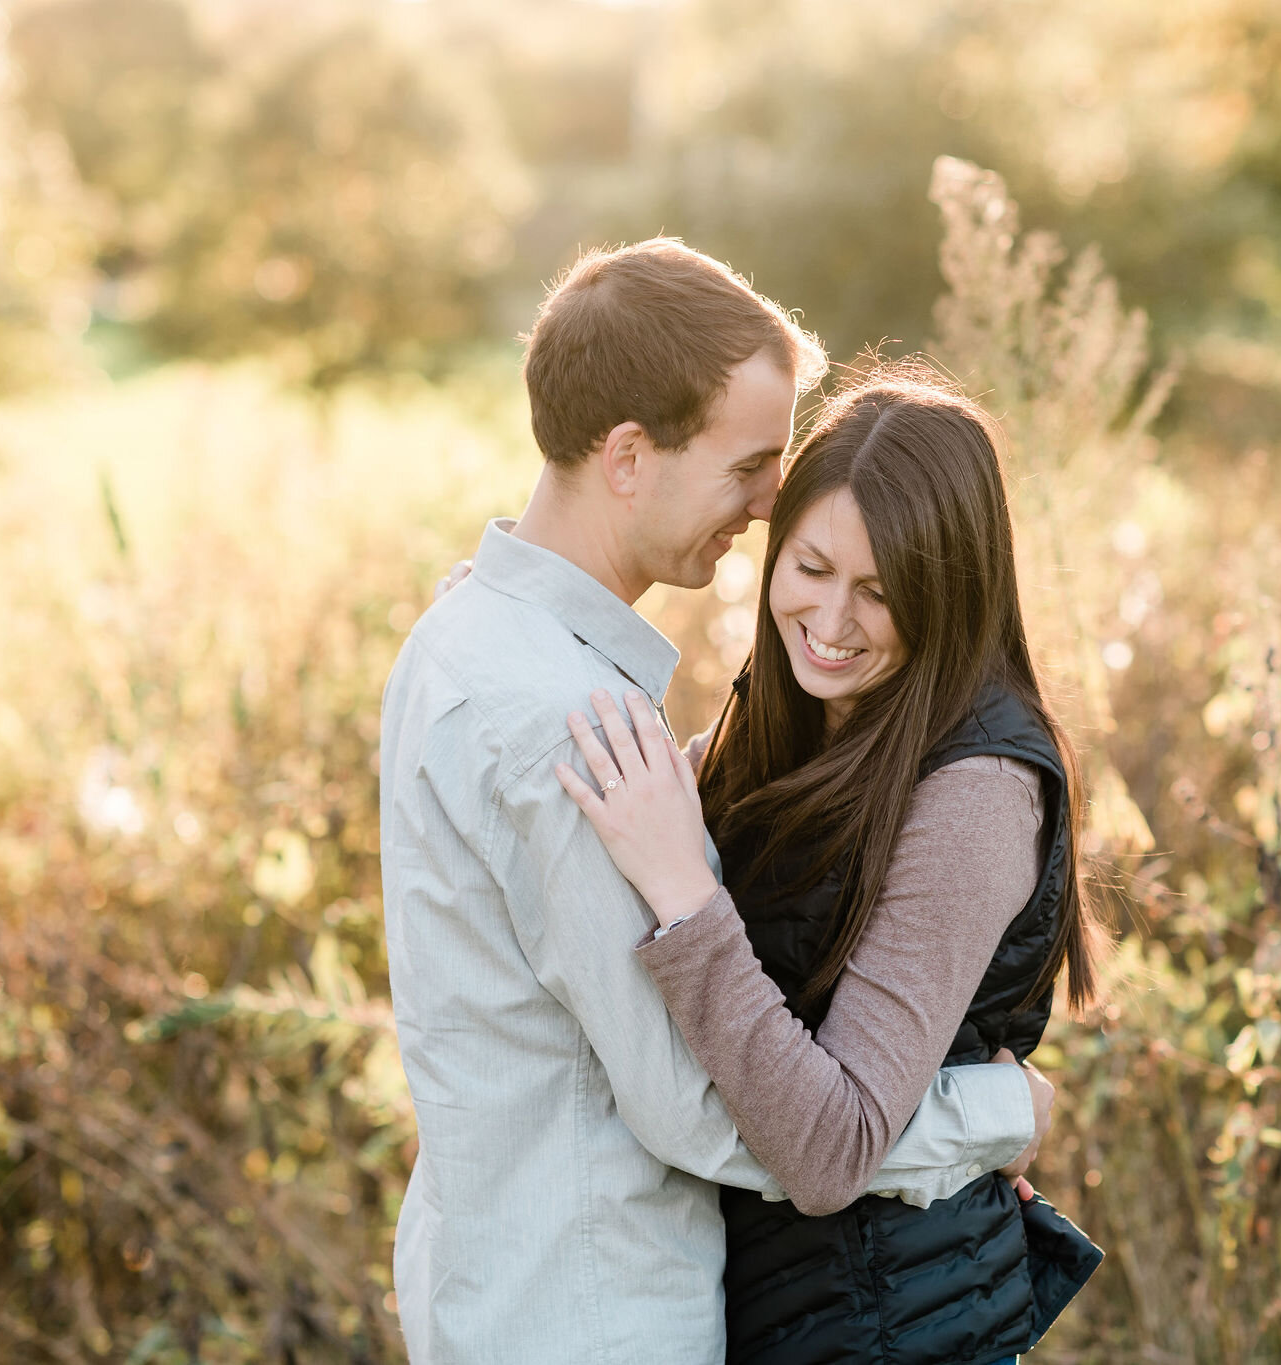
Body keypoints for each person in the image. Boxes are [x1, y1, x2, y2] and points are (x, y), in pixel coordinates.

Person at [377, 241, 1051, 1365]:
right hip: (595, 1315)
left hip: (502, 1285)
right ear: (630, 457)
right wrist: (993, 1118)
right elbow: (702, 1111)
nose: (769, 502)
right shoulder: (572, 728)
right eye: (748, 465)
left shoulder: (463, 638)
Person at [557, 367, 1105, 1365]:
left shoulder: (977, 788)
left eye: (881, 593)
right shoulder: (795, 711)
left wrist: (685, 895)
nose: (832, 621)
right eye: (809, 568)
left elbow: (825, 1148)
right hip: (790, 1310)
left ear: (950, 595)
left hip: (889, 1327)